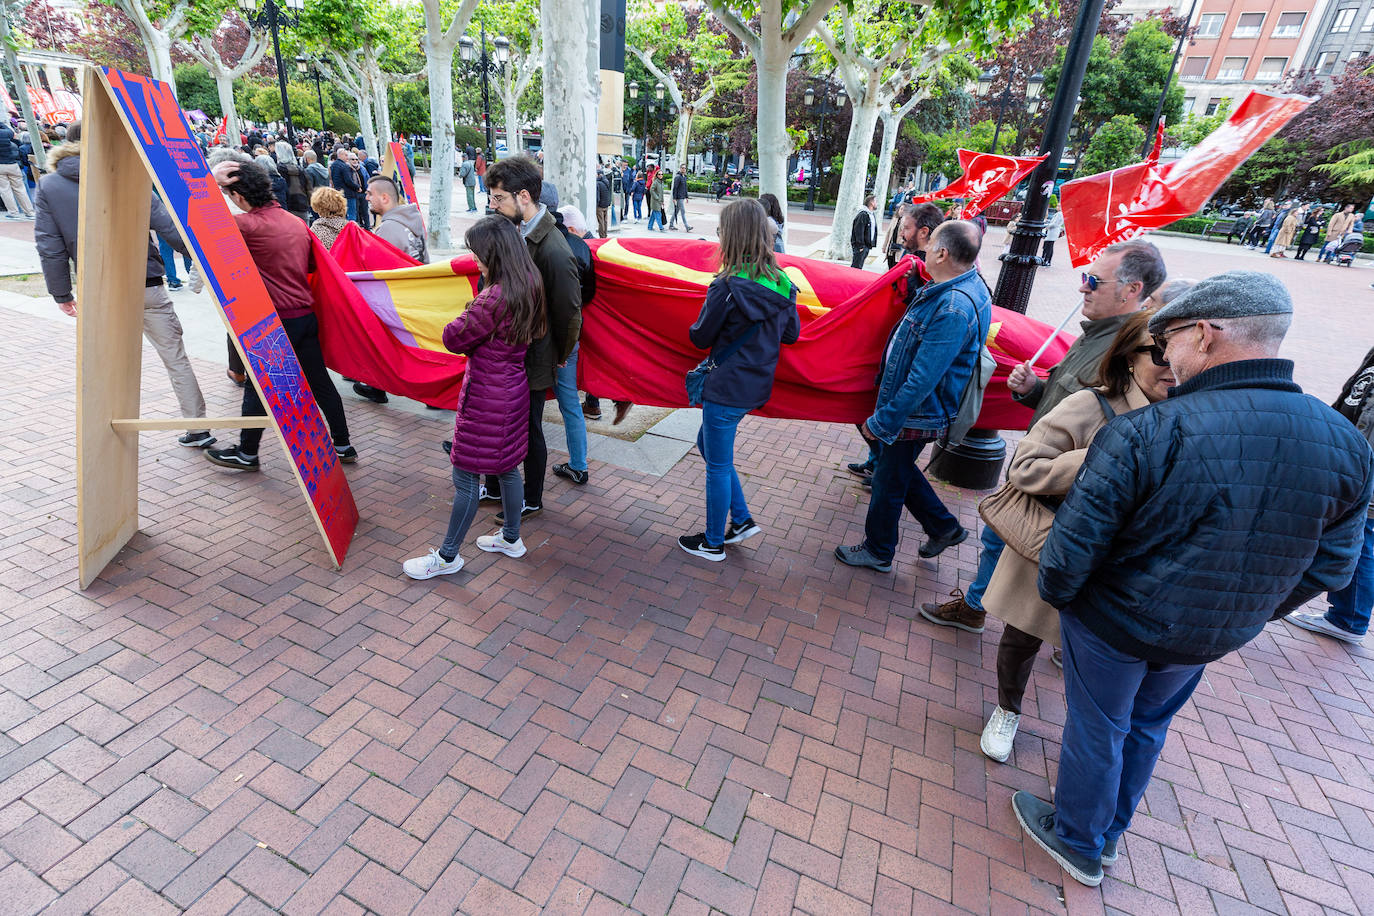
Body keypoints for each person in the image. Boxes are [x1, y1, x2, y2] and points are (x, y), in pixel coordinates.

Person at [1012, 271, 1373, 888]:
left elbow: (1071, 552)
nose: (1166, 357)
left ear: (1205, 335)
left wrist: (1071, 601)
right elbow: (1332, 566)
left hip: (1114, 621)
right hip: (1208, 634)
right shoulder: (1344, 442)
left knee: (1099, 725)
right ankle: (1108, 834)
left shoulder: (1148, 430)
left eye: (1169, 338)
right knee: (1147, 726)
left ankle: (1078, 837)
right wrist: (1249, 610)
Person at [921, 239, 1166, 631]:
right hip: (1042, 469)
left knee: (1019, 549)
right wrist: (1033, 390)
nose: (1083, 286)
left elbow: (1116, 432)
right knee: (1000, 539)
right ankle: (980, 607)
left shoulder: (1129, 352)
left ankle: (1031, 631)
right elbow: (1066, 406)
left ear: (1131, 290)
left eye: (1094, 280)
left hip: (1059, 482)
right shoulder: (1097, 336)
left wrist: (1059, 471)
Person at [977, 310, 1175, 764]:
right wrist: (1102, 457)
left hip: (1125, 562)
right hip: (1058, 543)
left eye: (1177, 353)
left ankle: (1084, 743)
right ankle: (1007, 709)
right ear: (1129, 358)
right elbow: (1026, 469)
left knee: (1097, 656)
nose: (1170, 365)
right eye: (1158, 353)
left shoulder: (1182, 413)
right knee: (1023, 633)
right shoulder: (1090, 405)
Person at [34, 122, 212, 450]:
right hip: (146, 283)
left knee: (105, 360)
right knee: (175, 357)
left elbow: (50, 246)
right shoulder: (130, 174)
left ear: (67, 144)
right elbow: (167, 226)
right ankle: (198, 425)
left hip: (100, 289)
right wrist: (205, 256)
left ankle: (106, 435)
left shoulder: (50, 186)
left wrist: (61, 293)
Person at [834, 221, 990, 573]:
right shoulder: (957, 287)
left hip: (916, 412)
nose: (925, 244)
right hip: (918, 409)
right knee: (896, 472)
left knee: (889, 481)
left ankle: (879, 550)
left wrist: (884, 420)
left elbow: (923, 377)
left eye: (931, 239)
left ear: (942, 252)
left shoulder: (953, 305)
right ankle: (944, 527)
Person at [403, 217, 544, 579]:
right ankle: (511, 537)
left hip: (486, 396)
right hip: (512, 389)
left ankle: (448, 556)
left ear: (493, 253)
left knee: (466, 478)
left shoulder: (494, 296)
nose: (475, 259)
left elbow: (454, 338)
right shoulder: (529, 281)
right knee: (508, 468)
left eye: (477, 253)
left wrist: (469, 308)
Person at [205, 159, 356, 470]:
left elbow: (201, 221)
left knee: (257, 386)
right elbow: (313, 266)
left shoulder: (246, 225)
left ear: (238, 196)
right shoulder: (294, 221)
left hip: (277, 321)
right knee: (320, 382)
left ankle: (247, 452)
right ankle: (343, 444)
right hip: (305, 316)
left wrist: (212, 180)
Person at [679, 198, 800, 560]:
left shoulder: (726, 286)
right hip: (756, 386)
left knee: (716, 464)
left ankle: (714, 542)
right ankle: (742, 519)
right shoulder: (782, 282)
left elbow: (700, 336)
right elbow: (791, 335)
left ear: (731, 237)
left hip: (726, 386)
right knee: (709, 446)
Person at [482, 156, 582, 519]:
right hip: (508, 353)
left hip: (533, 356)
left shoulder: (554, 248)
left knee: (528, 429)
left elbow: (569, 313)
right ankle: (495, 488)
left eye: (497, 198)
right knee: (502, 423)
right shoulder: (515, 232)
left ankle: (532, 497)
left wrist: (560, 354)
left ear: (523, 196)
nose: (493, 206)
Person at [1286, 344, 1374, 645]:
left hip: (1362, 468)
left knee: (1361, 539)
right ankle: (1348, 616)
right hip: (1355, 459)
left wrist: (1352, 467)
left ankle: (1349, 618)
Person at [851, 202, 945, 480]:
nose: (902, 233)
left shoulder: (937, 267)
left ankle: (882, 471)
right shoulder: (917, 259)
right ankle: (876, 463)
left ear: (924, 231)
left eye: (906, 228)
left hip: (912, 369)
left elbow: (929, 309)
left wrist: (914, 283)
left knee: (896, 469)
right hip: (896, 355)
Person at [541, 182, 593, 487]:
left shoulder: (537, 242)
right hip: (568, 338)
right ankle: (578, 463)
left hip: (542, 338)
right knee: (570, 403)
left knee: (517, 398)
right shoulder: (580, 246)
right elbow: (588, 296)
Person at [368, 174, 429, 263]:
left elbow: (377, 266)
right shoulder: (412, 220)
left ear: (384, 198)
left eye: (370, 194)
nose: (367, 198)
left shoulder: (388, 228)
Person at [0, 119, 35, 220]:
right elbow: (10, 131)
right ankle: (29, 212)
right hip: (13, 165)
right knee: (20, 189)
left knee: (5, 190)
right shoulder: (5, 133)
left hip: (0, 166)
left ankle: (13, 212)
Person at [275, 140, 310, 221]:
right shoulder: (301, 170)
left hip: (288, 207)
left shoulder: (278, 171)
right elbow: (308, 188)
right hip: (302, 205)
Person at [849, 194, 878, 269]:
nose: (876, 203)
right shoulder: (863, 215)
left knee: (859, 265)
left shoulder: (871, 214)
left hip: (866, 245)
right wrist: (860, 245)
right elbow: (858, 231)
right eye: (876, 201)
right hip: (861, 246)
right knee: (856, 265)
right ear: (871, 202)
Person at [669, 165, 693, 232]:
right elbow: (675, 188)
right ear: (680, 169)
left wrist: (686, 196)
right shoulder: (678, 177)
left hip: (682, 197)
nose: (684, 169)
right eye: (682, 168)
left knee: (676, 211)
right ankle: (687, 226)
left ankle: (671, 224)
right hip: (679, 197)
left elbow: (685, 188)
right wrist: (674, 198)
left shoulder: (684, 177)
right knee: (683, 211)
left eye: (685, 168)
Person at [595, 171, 612, 239]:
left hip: (600, 205)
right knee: (605, 221)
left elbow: (597, 195)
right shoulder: (606, 182)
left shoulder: (598, 183)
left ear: (599, 175)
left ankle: (602, 236)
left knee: (601, 222)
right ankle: (605, 235)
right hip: (606, 204)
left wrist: (597, 204)